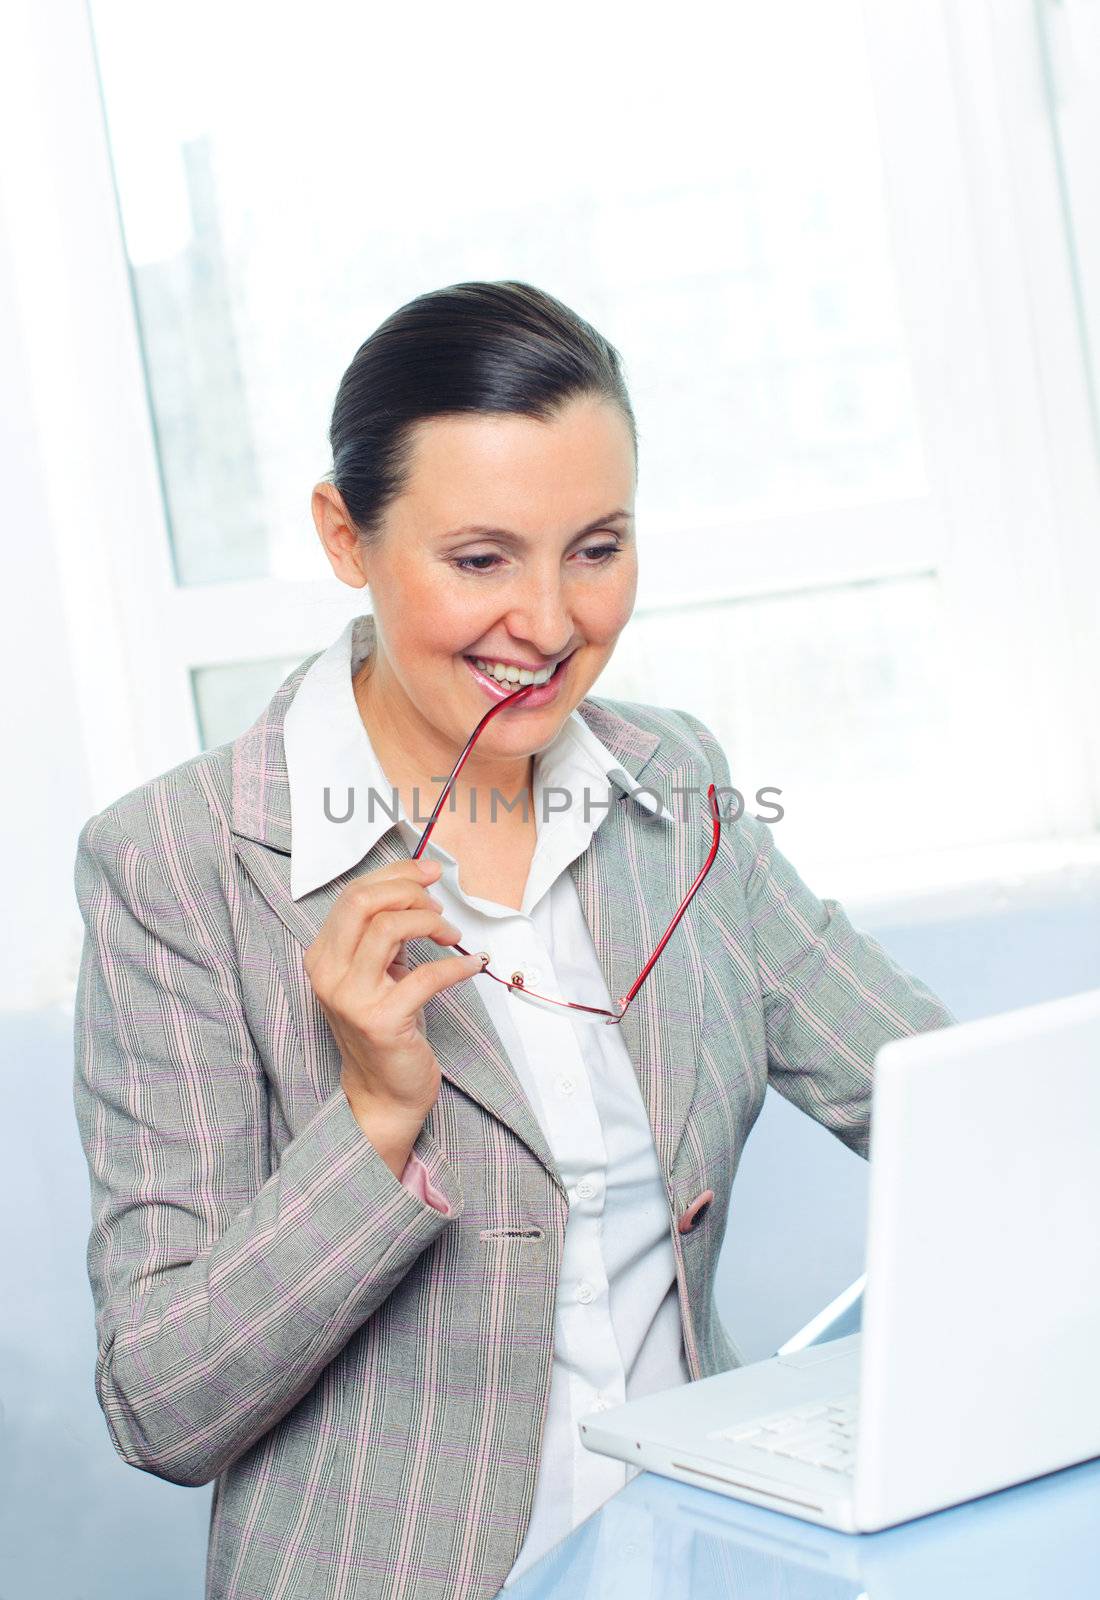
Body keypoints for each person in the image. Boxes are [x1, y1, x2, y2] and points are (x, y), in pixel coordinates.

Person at [72, 279, 955, 1600]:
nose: (548, 625)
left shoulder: (679, 790)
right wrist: (373, 1119)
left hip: (711, 1563)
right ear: (342, 534)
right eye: (480, 560)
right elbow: (162, 1405)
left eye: (596, 548)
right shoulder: (177, 865)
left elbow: (939, 1096)